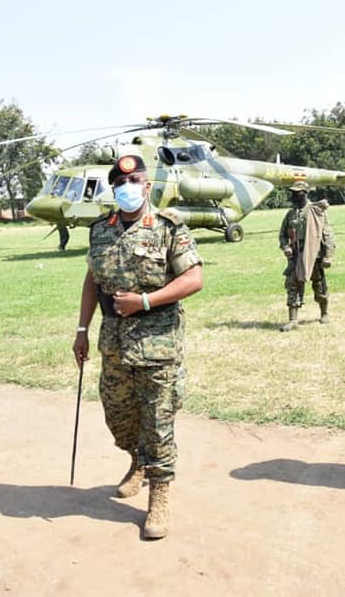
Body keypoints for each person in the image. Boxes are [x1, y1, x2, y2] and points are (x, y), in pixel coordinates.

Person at [72, 154, 203, 540]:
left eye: (135, 182)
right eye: (121, 185)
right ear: (114, 190)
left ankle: (159, 495)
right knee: (120, 418)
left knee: (159, 423)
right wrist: (82, 329)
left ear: (147, 186)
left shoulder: (167, 227)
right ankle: (138, 462)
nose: (128, 189)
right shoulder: (100, 230)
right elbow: (92, 279)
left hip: (157, 343)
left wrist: (144, 302)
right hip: (114, 346)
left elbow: (194, 278)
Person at [278, 180, 335, 331]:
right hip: (296, 256)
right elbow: (283, 234)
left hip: (314, 254)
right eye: (293, 193)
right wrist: (285, 246)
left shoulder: (316, 211)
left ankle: (324, 313)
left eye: (297, 193)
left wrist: (328, 255)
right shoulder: (290, 214)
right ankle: (293, 319)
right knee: (292, 285)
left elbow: (327, 234)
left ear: (304, 193)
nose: (294, 196)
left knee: (319, 285)